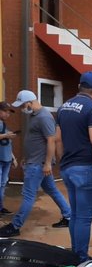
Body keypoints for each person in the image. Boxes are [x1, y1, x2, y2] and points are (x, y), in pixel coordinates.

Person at [0, 91, 71, 238]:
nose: (21, 109)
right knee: (52, 190)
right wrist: (27, 156)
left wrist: (47, 164)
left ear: (29, 102)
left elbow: (51, 140)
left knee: (28, 195)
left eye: (22, 105)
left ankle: (15, 226)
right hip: (35, 161)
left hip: (38, 165)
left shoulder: (44, 117)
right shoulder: (35, 115)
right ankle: (68, 216)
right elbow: (35, 140)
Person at [55, 72, 92, 261]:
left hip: (68, 168)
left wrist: (63, 161)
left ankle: (75, 253)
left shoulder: (63, 108)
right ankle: (81, 257)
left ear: (79, 87)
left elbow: (58, 139)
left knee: (75, 214)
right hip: (85, 168)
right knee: (84, 218)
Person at [0, 102, 18, 214]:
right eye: (5, 111)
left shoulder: (4, 124)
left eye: (9, 112)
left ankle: (0, 207)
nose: (7, 114)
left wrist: (13, 158)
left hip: (6, 159)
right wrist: (6, 135)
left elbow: (7, 144)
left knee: (2, 184)